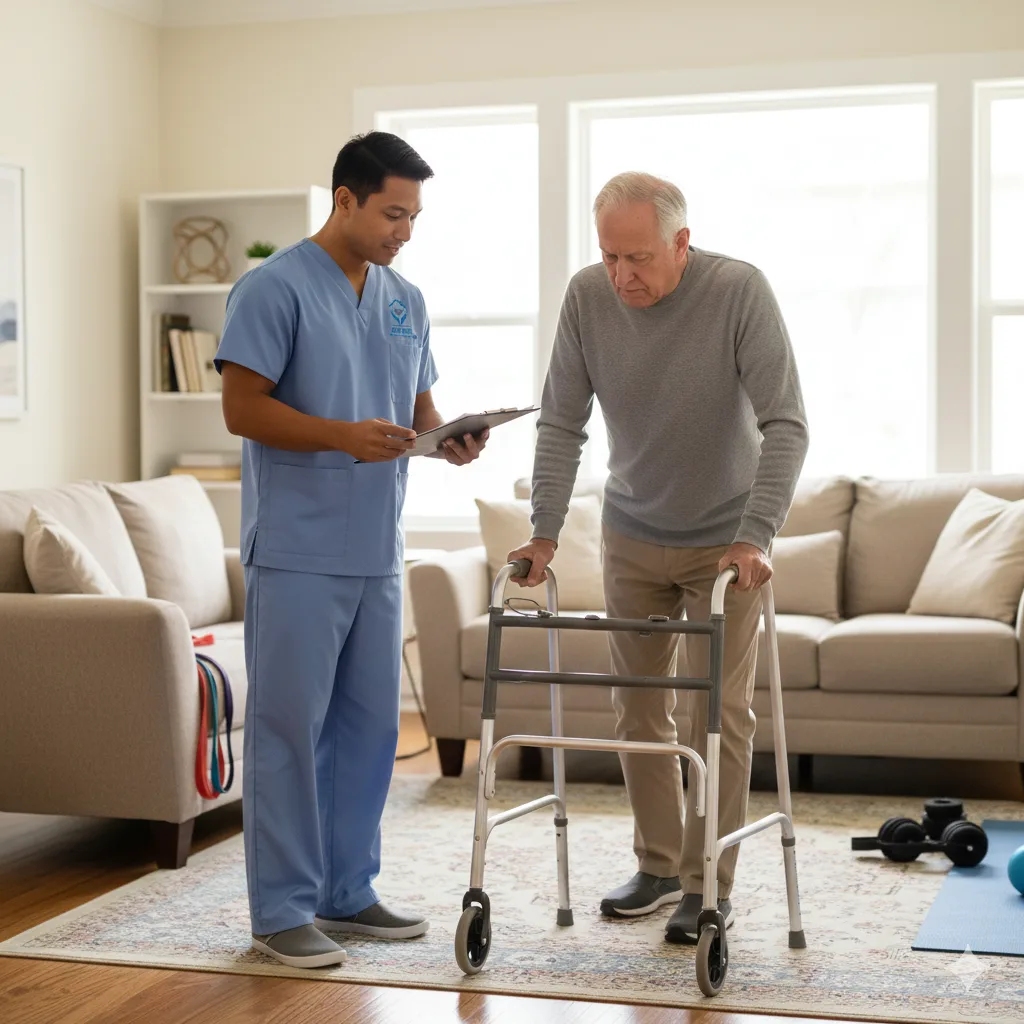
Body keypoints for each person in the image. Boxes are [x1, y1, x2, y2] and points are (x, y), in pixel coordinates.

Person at [508, 172, 808, 944]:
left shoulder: (738, 291)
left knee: (721, 710)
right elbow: (560, 425)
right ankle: (659, 861)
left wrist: (756, 535)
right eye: (609, 257)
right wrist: (544, 533)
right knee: (638, 705)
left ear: (681, 242)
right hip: (633, 528)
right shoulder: (587, 298)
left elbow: (786, 424)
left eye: (637, 257)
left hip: (728, 541)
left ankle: (709, 882)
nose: (621, 275)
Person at [216, 131, 488, 969]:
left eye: (414, 215)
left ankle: (346, 891)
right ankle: (281, 911)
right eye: (393, 213)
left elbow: (417, 405)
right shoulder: (271, 289)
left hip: (376, 549)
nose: (405, 229)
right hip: (297, 549)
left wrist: (450, 439)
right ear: (346, 199)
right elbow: (241, 410)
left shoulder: (405, 295)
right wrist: (342, 438)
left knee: (369, 731)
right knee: (288, 731)